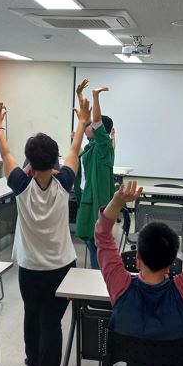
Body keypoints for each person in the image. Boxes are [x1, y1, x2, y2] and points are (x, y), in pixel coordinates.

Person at [94, 170, 183, 366]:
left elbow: (103, 238)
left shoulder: (120, 287)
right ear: (172, 262)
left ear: (137, 258)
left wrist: (117, 201)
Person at [0, 99, 86, 366]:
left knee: (32, 313)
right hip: (62, 268)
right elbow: (75, 150)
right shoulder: (65, 183)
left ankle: (33, 358)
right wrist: (82, 122)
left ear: (29, 162)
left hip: (30, 268)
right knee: (52, 324)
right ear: (55, 160)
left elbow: (5, 153)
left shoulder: (20, 184)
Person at [73, 79, 115, 270]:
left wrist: (95, 96)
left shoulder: (103, 148)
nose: (86, 127)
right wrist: (80, 96)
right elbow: (87, 120)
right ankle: (96, 275)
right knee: (91, 243)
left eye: (90, 126)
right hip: (86, 199)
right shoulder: (91, 146)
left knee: (96, 243)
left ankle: (99, 277)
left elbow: (95, 122)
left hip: (97, 202)